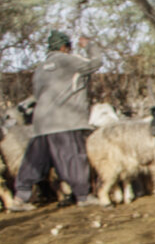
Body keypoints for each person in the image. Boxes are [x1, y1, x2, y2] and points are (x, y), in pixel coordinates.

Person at [9, 30, 102, 211]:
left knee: (35, 160)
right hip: (65, 120)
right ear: (63, 47)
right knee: (73, 158)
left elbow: (37, 95)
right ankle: (83, 196)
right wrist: (90, 46)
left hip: (41, 123)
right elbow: (95, 63)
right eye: (69, 47)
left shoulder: (40, 69)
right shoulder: (67, 60)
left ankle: (20, 198)